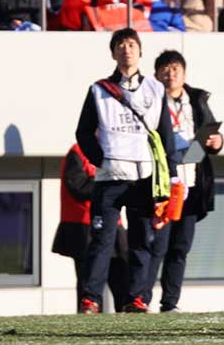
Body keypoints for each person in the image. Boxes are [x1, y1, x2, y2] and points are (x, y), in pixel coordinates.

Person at [75, 28, 180, 314]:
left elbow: (166, 136)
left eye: (132, 44)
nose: (126, 49)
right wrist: (101, 159)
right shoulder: (99, 89)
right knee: (101, 241)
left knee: (142, 241)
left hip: (145, 179)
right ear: (113, 52)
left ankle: (136, 298)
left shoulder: (156, 88)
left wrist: (171, 178)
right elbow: (83, 133)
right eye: (120, 45)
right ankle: (90, 299)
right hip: (109, 178)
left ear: (140, 51)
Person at [144, 50, 224, 312]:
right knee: (157, 244)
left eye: (175, 69)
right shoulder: (150, 100)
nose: (170, 75)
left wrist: (217, 142)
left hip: (192, 179)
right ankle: (140, 299)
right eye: (164, 70)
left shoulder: (197, 99)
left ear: (184, 73)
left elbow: (212, 133)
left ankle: (170, 302)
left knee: (181, 246)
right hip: (162, 180)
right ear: (156, 75)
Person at [51, 143, 129, 312]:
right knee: (89, 278)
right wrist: (107, 184)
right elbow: (77, 186)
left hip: (113, 223)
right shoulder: (78, 152)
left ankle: (126, 313)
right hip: (83, 224)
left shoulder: (113, 149)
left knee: (122, 274)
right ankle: (90, 312)